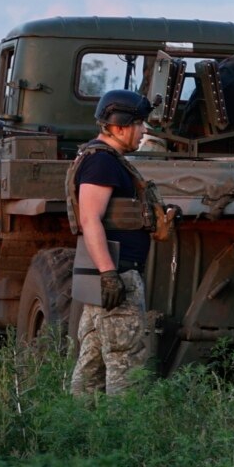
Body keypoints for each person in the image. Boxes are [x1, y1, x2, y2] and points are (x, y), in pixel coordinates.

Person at [65, 89, 176, 396]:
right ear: (118, 126)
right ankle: (122, 438)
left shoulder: (105, 160)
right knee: (127, 369)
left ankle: (81, 435)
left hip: (107, 277)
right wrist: (109, 274)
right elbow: (90, 219)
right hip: (117, 277)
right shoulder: (102, 163)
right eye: (139, 123)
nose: (144, 131)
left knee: (92, 367)